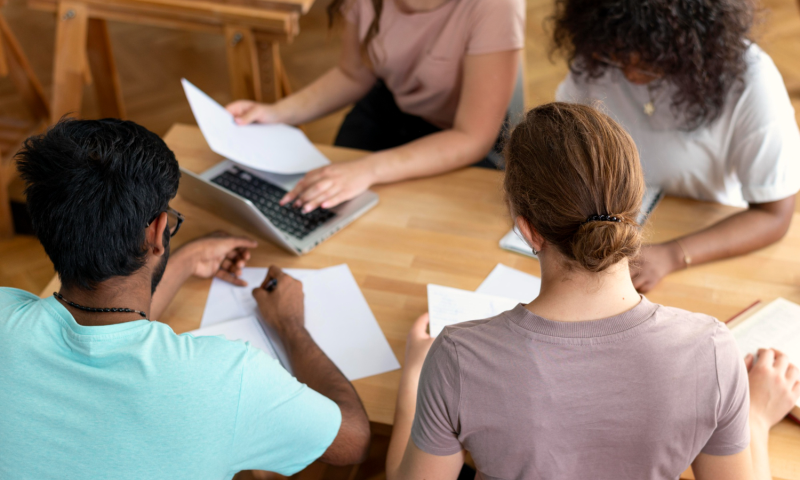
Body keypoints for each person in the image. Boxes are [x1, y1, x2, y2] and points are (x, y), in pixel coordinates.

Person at [383, 103, 800, 480]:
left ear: (527, 230)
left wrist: (415, 379)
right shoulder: (711, 350)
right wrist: (757, 419)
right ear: (634, 210)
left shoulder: (457, 358)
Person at [0, 119, 370, 478]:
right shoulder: (227, 378)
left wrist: (189, 259)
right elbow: (352, 441)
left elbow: (107, 323)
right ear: (158, 230)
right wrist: (291, 325)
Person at [551, 0, 800, 292]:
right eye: (619, 55)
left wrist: (672, 254)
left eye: (650, 59)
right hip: (612, 243)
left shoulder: (749, 79)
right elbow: (564, 158)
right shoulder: (597, 60)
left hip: (704, 246)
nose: (631, 73)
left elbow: (774, 214)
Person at [226, 0, 524, 214]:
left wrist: (368, 170)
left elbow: (472, 136)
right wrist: (277, 112)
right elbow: (353, 74)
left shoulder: (497, 7)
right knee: (329, 205)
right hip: (388, 108)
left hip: (459, 136)